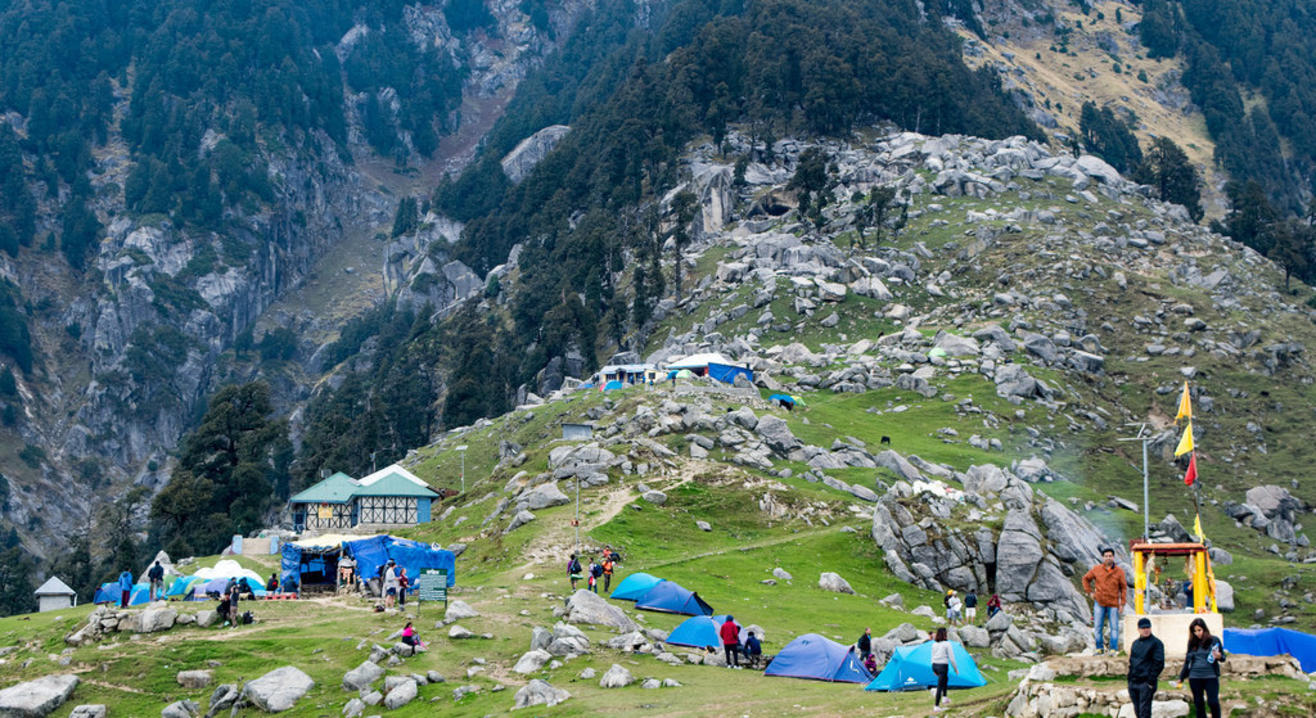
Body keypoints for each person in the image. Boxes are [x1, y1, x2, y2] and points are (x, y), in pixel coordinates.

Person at [1176, 617, 1225, 718]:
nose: (1197, 633)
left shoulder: (1214, 640)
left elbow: (1223, 657)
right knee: (1199, 703)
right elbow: (1187, 661)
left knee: (1213, 702)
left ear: (1204, 629)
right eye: (1195, 631)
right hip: (1195, 677)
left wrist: (1219, 656)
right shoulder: (1192, 643)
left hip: (1210, 676)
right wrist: (1181, 677)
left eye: (1199, 630)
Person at [1082, 547, 1128, 654]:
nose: (1108, 558)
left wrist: (1122, 603)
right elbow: (1085, 579)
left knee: (1114, 627)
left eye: (1110, 556)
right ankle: (1099, 648)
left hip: (1113, 603)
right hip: (1099, 602)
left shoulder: (1119, 571)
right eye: (1106, 556)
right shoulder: (1096, 569)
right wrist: (1089, 592)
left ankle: (1113, 649)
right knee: (1098, 626)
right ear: (1102, 557)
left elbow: (1123, 588)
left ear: (1113, 557)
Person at [1127, 617, 1165, 718]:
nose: (1146, 630)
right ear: (1138, 629)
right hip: (1134, 682)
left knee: (1144, 712)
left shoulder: (1156, 643)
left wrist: (1151, 681)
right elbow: (1131, 662)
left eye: (1148, 627)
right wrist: (1129, 680)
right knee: (1138, 711)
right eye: (1143, 628)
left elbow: (1159, 663)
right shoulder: (1135, 643)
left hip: (1146, 683)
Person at [930, 627, 959, 712]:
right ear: (945, 634)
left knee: (945, 679)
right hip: (942, 666)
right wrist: (955, 669)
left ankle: (945, 698)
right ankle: (936, 706)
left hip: (934, 665)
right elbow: (952, 658)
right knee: (940, 685)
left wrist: (934, 669)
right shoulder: (947, 644)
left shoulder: (934, 644)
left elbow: (932, 656)